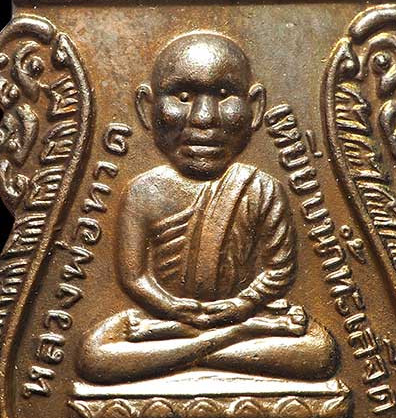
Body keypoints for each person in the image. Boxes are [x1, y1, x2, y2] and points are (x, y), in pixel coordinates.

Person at [77, 31, 338, 384]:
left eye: (224, 95)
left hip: (243, 317)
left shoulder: (261, 188)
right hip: (166, 321)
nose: (203, 118)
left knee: (320, 352)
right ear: (146, 108)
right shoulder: (143, 191)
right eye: (183, 97)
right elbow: (134, 278)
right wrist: (172, 308)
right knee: (94, 355)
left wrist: (240, 307)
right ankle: (222, 344)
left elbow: (278, 271)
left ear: (255, 108)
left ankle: (193, 350)